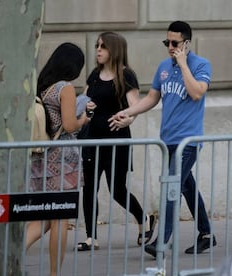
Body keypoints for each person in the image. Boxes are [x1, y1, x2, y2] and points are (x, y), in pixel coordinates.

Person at [110, 21, 216, 257]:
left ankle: (162, 242)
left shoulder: (201, 65)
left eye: (175, 43)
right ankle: (206, 234)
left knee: (171, 187)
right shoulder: (163, 68)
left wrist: (183, 63)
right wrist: (128, 112)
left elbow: (197, 93)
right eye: (167, 42)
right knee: (187, 186)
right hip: (167, 140)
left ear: (186, 43)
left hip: (187, 142)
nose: (170, 46)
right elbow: (152, 98)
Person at [76, 31, 156, 251]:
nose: (98, 50)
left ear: (114, 50)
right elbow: (83, 100)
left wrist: (126, 120)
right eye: (97, 46)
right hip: (92, 139)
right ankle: (91, 237)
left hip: (117, 140)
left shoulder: (126, 75)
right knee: (89, 187)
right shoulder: (94, 74)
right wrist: (86, 105)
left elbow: (135, 106)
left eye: (103, 46)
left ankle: (143, 219)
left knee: (117, 189)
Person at [26, 42, 89, 276]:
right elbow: (70, 125)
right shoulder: (66, 88)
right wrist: (84, 119)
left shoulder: (42, 86)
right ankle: (54, 274)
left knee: (45, 216)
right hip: (64, 158)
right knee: (61, 218)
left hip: (41, 157)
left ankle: (5, 258)